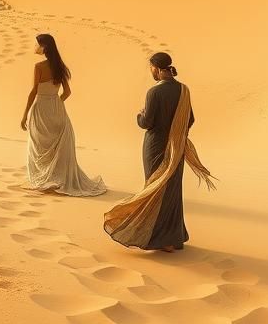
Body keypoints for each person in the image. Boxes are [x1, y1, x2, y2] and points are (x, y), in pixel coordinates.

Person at [104, 52, 215, 251]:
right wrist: (177, 134)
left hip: (155, 145)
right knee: (171, 189)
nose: (151, 72)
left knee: (154, 188)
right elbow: (190, 120)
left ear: (156, 68)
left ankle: (159, 238)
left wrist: (139, 115)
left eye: (151, 68)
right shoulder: (184, 90)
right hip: (176, 146)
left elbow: (147, 123)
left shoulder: (154, 92)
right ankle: (173, 237)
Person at [20, 34, 106, 196]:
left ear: (44, 46)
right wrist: (56, 102)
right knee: (54, 145)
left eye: (37, 44)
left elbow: (33, 92)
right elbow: (67, 92)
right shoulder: (60, 66)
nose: (35, 46)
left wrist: (25, 114)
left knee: (39, 144)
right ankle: (53, 178)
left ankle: (43, 179)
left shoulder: (39, 66)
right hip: (57, 108)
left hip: (41, 108)